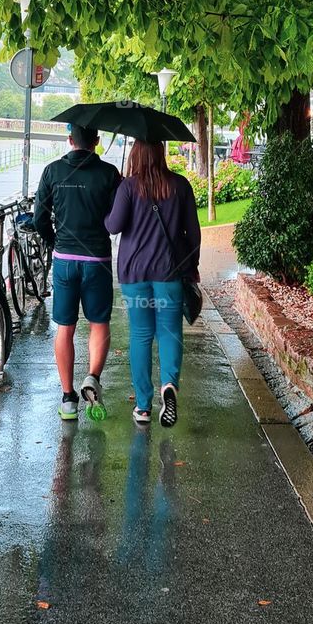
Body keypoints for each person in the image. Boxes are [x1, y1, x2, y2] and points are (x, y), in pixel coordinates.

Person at [105, 141, 201, 427]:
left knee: (141, 334)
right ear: (162, 154)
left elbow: (112, 226)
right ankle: (169, 385)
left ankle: (143, 407)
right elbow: (193, 234)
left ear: (135, 155)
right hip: (169, 273)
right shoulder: (180, 186)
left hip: (134, 275)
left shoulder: (128, 187)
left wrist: (114, 200)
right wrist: (192, 268)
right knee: (170, 332)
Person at [33, 124, 121, 421]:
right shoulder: (109, 174)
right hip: (97, 259)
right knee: (99, 324)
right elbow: (116, 219)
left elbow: (39, 218)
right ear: (97, 141)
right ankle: (93, 376)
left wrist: (54, 242)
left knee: (65, 328)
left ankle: (68, 399)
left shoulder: (52, 171)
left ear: (70, 140)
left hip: (65, 259)